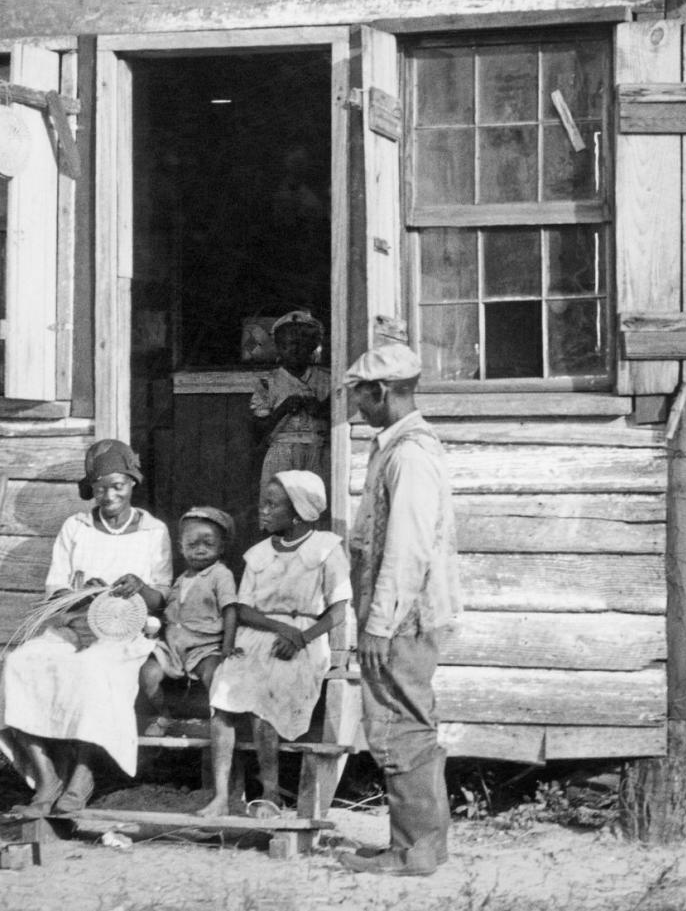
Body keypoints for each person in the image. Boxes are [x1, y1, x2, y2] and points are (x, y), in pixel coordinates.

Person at [0, 440, 172, 818]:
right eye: (101, 487)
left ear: (132, 484)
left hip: (126, 635)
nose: (109, 495)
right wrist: (81, 595)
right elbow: (55, 589)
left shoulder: (153, 531)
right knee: (20, 664)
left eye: (118, 486)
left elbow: (161, 599)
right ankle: (46, 778)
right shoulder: (75, 527)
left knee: (92, 671)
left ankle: (82, 777)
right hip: (72, 627)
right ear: (92, 488)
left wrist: (139, 585)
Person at [338, 344, 461, 877]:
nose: (357, 406)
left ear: (380, 392)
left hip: (403, 618)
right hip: (403, 613)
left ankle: (412, 851)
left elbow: (407, 547)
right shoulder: (396, 447)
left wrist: (379, 623)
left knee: (398, 726)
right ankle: (421, 845)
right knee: (409, 723)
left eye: (360, 395)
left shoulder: (409, 454)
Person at [199, 470, 350, 817]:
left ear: (297, 510)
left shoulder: (326, 550)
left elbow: (338, 611)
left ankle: (270, 792)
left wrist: (301, 637)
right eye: (262, 503)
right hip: (259, 633)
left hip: (306, 640)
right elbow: (244, 609)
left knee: (266, 697)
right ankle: (221, 796)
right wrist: (280, 629)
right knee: (223, 693)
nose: (262, 511)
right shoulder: (257, 555)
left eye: (272, 504)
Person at [139, 506, 239, 736]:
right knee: (148, 674)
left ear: (221, 547)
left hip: (204, 646)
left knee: (214, 673)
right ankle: (164, 715)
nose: (200, 550)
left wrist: (227, 645)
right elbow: (169, 611)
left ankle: (220, 721)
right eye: (193, 544)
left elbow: (230, 609)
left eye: (209, 544)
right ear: (180, 547)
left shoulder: (220, 574)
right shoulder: (180, 579)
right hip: (173, 648)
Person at [250, 311, 331, 492]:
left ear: (312, 347)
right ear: (278, 348)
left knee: (315, 507)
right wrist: (282, 409)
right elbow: (257, 431)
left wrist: (321, 409)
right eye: (287, 345)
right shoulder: (268, 383)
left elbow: (339, 414)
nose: (294, 350)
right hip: (281, 452)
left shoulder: (327, 380)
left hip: (317, 451)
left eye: (302, 345)